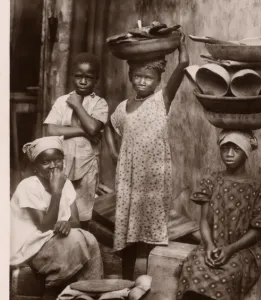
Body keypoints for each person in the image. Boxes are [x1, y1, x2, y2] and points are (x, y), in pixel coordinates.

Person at [105, 33, 189, 280]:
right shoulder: (124, 106)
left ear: (158, 80)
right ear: (131, 77)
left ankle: (150, 281)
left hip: (153, 176)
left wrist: (181, 44)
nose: (142, 81)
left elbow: (183, 65)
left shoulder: (161, 100)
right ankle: (127, 281)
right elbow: (110, 126)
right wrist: (113, 151)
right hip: (129, 176)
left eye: (148, 77)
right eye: (138, 76)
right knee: (128, 228)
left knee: (148, 227)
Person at [176, 130, 261, 300]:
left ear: (246, 152)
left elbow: (258, 232)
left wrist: (230, 249)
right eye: (225, 148)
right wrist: (208, 246)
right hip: (213, 244)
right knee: (193, 267)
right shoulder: (211, 181)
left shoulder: (257, 188)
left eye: (236, 149)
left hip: (243, 249)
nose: (229, 154)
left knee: (228, 275)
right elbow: (205, 221)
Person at [10, 136, 103, 300]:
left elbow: (75, 220)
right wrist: (56, 191)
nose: (53, 166)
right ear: (35, 168)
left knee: (89, 238)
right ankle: (55, 289)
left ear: (63, 162)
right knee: (76, 239)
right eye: (46, 162)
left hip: (55, 241)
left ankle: (91, 291)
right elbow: (44, 227)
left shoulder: (66, 184)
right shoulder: (28, 186)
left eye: (57, 160)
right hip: (31, 247)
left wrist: (67, 223)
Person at [44, 52, 109, 229]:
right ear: (73, 76)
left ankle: (82, 244)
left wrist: (78, 105)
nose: (82, 81)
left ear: (96, 79)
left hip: (86, 166)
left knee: (83, 213)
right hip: (62, 163)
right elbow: (51, 129)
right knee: (59, 206)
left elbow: (95, 128)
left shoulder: (100, 103)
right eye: (79, 76)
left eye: (88, 77)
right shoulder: (62, 101)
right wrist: (84, 131)